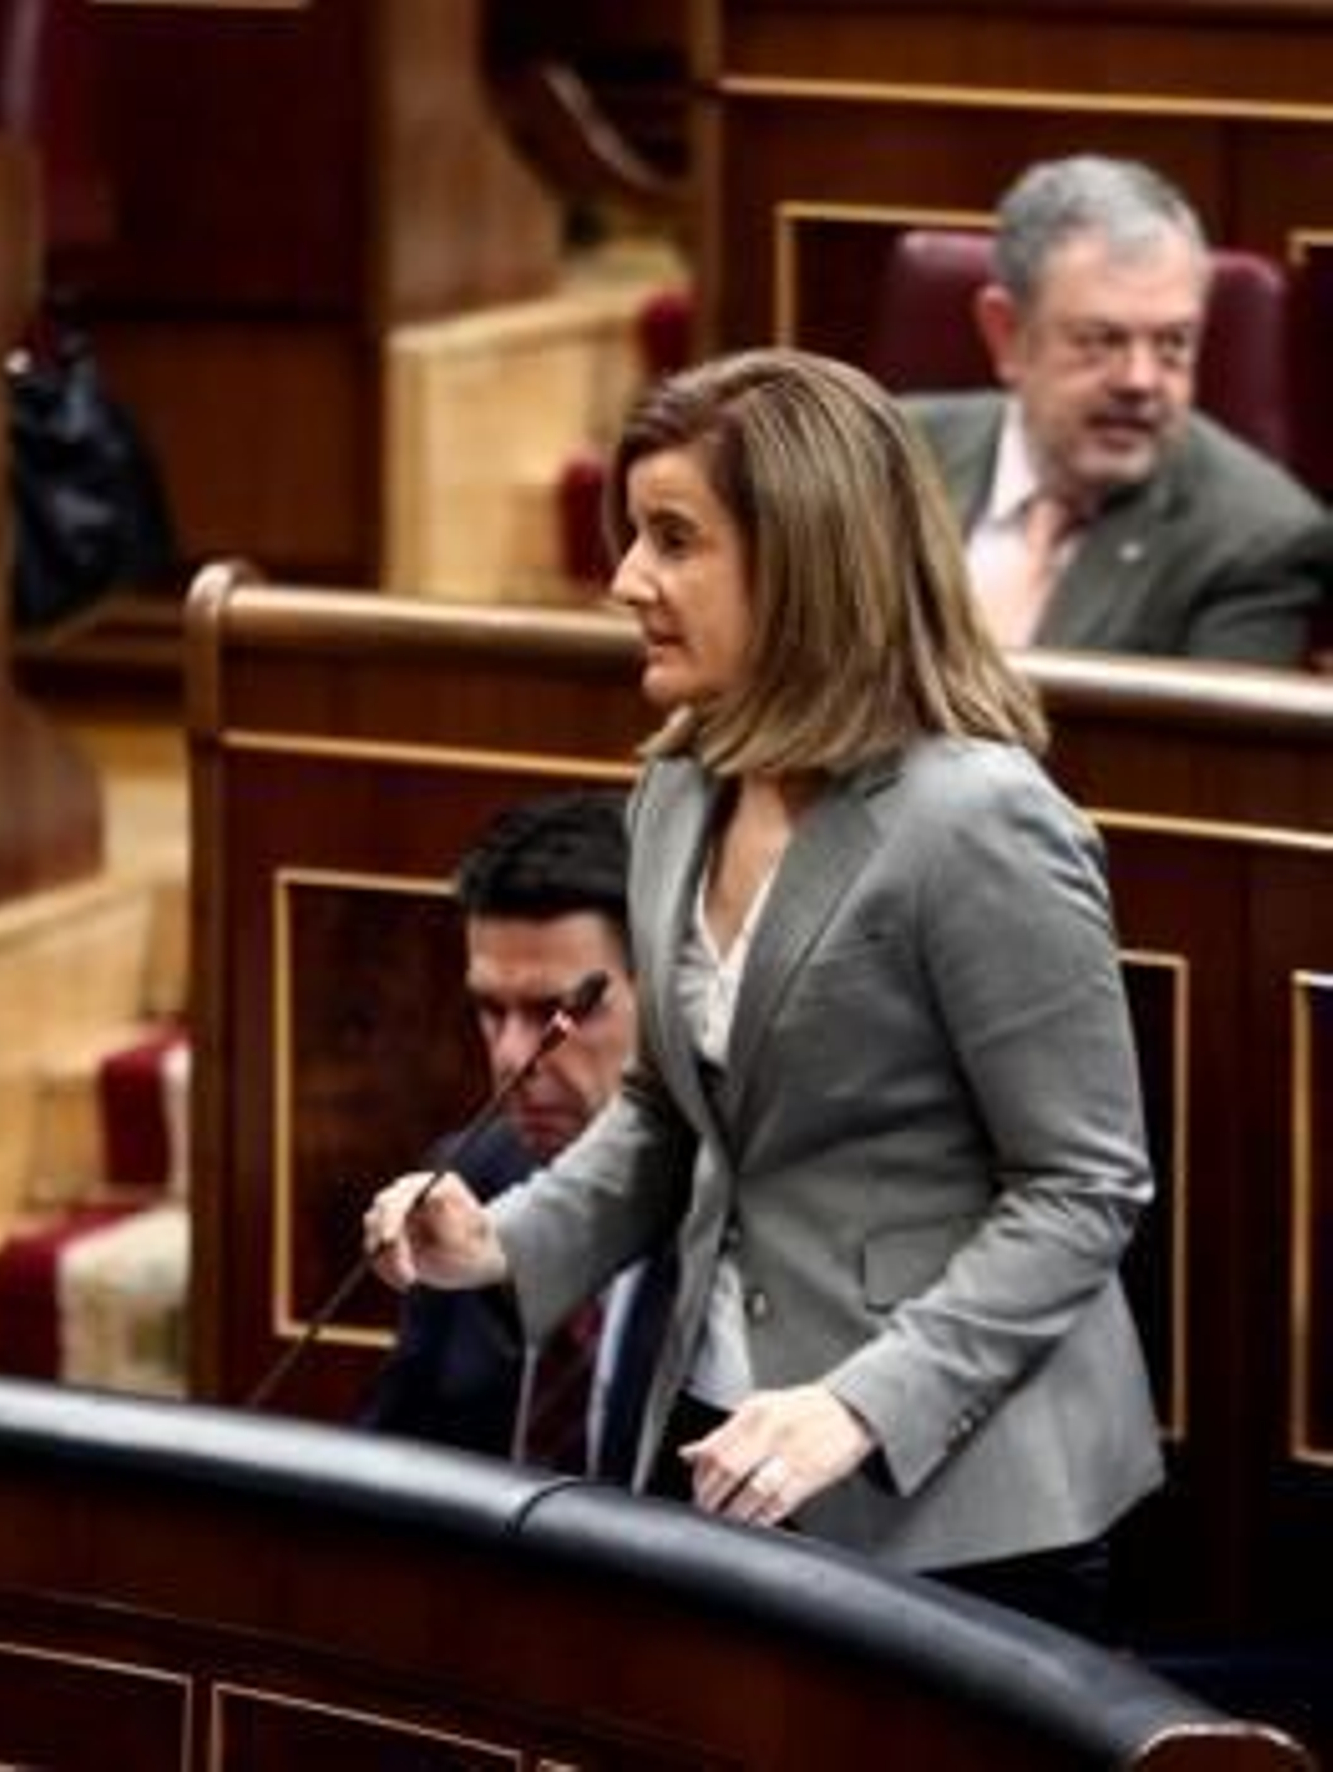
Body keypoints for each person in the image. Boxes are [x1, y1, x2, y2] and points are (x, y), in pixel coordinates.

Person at [364, 346, 1164, 1639]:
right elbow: (671, 1112)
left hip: (956, 1500)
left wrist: (860, 1403)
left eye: (674, 540)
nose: (628, 581)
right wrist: (505, 1239)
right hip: (725, 1440)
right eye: (634, 537)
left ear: (804, 562)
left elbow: (1084, 1189)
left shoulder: (978, 822)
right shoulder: (684, 782)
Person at [358, 789, 670, 1480]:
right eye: (490, 1012)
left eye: (556, 1013)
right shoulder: (467, 1186)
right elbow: (396, 1467)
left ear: (670, 994)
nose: (510, 1057)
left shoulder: (732, 1220)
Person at [906, 154, 1325, 666]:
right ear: (1007, 335)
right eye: (1100, 341)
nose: (1140, 381)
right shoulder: (882, 461)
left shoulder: (1257, 541)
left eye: (1173, 343)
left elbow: (1199, 750)